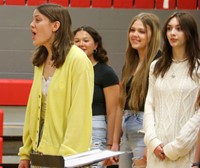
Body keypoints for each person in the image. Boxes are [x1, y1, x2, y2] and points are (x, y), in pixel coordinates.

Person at [18, 4, 94, 168]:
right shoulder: (40, 61)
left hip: (65, 157)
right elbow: (33, 109)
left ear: (55, 25)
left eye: (38, 20)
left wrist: (68, 157)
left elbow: (80, 114)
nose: (32, 25)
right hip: (40, 154)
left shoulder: (78, 60)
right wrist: (26, 152)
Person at [144, 12, 200, 168]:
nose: (172, 33)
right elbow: (149, 103)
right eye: (169, 28)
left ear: (190, 33)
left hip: (184, 152)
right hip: (156, 152)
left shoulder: (198, 68)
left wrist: (177, 147)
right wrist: (152, 141)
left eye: (179, 28)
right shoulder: (156, 66)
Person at [110, 13, 161, 168]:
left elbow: (160, 107)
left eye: (141, 31)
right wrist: (114, 142)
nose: (135, 35)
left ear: (152, 36)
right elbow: (121, 103)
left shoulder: (160, 62)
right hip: (126, 130)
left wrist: (151, 143)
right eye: (132, 30)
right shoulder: (130, 62)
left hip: (144, 132)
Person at [73, 26, 120, 168]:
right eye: (76, 41)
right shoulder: (71, 71)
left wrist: (110, 143)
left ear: (96, 45)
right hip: (74, 128)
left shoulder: (106, 72)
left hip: (96, 128)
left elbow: (113, 111)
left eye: (86, 40)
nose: (81, 44)